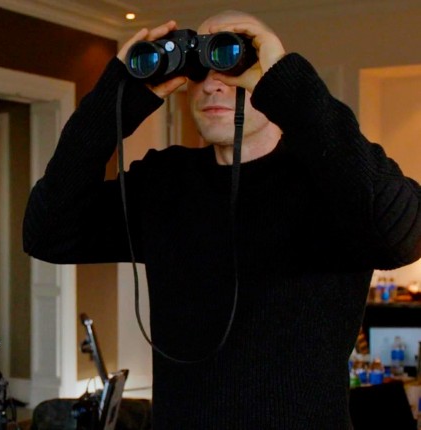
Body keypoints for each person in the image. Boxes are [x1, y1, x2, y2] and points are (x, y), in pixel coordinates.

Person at [23, 10, 421, 429]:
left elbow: (402, 233)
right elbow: (47, 232)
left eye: (231, 64)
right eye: (198, 70)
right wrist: (111, 104)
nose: (212, 84)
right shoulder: (164, 181)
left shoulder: (331, 182)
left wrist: (291, 86)